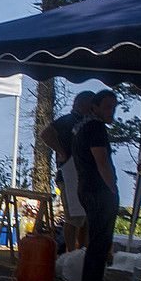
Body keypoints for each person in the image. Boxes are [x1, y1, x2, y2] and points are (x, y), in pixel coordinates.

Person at [72, 89, 120, 281]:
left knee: (98, 237)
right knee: (100, 238)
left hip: (86, 186)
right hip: (97, 189)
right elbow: (101, 161)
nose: (112, 111)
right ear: (95, 107)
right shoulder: (95, 127)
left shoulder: (82, 126)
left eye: (114, 107)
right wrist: (112, 188)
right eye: (108, 107)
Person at [39, 91, 96, 252]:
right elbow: (45, 133)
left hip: (85, 173)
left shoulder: (90, 123)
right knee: (73, 217)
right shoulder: (68, 120)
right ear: (81, 104)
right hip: (69, 173)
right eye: (91, 104)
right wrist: (61, 151)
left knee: (85, 218)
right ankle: (70, 252)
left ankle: (81, 251)